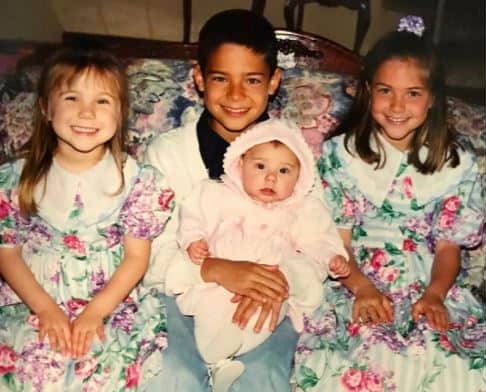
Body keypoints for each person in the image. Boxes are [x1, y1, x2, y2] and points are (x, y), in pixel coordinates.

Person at [294, 17, 486, 391]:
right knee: (365, 362)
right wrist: (362, 287)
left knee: (454, 364)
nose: (398, 105)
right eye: (386, 90)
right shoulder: (342, 156)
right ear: (368, 92)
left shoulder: (454, 163)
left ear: (432, 99)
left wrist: (434, 294)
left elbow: (449, 248)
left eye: (413, 93)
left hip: (430, 283)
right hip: (357, 281)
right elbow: (337, 244)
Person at [143, 9, 318, 392]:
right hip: (185, 294)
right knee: (175, 376)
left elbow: (317, 242)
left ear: (273, 82)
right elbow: (149, 255)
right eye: (221, 79)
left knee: (261, 379)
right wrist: (215, 269)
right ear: (199, 79)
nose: (236, 95)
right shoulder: (168, 154)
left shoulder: (296, 157)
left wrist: (281, 277)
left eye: (252, 80)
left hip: (267, 297)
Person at [0, 48, 175, 391]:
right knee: (32, 368)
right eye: (71, 97)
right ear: (46, 109)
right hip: (34, 297)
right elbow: (7, 254)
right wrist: (46, 310)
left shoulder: (138, 180)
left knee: (101, 367)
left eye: (102, 101)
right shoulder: (14, 179)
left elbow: (137, 258)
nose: (86, 112)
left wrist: (95, 311)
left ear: (121, 113)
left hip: (108, 299)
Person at [174, 119, 350, 391]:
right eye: (260, 166)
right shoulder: (217, 194)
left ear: (300, 177)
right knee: (211, 307)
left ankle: (227, 363)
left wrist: (332, 257)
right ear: (240, 164)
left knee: (267, 314)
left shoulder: (302, 210)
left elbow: (319, 239)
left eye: (284, 170)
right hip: (222, 280)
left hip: (269, 288)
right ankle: (214, 358)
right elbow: (192, 215)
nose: (271, 178)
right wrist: (193, 240)